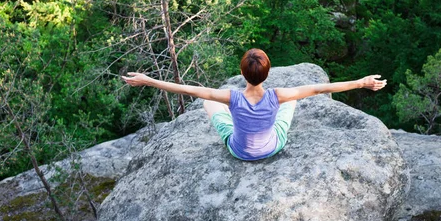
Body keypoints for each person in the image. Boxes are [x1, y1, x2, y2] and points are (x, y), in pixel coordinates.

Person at [122, 48, 386, 161]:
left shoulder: (231, 96)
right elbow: (321, 88)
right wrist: (362, 82)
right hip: (272, 147)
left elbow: (187, 89)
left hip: (238, 150)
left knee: (207, 103)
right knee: (292, 102)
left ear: (242, 73)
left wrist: (149, 80)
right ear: (267, 73)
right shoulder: (277, 95)